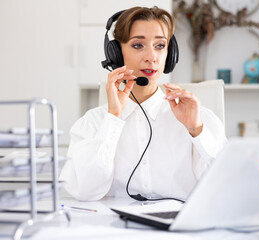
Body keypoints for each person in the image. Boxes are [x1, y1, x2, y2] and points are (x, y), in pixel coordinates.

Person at [59, 6, 227, 201]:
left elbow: (222, 188)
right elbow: (87, 192)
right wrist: (113, 118)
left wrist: (196, 130)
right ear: (116, 54)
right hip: (114, 227)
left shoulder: (200, 118)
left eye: (160, 46)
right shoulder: (93, 122)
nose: (151, 57)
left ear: (170, 55)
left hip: (179, 228)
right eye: (138, 45)